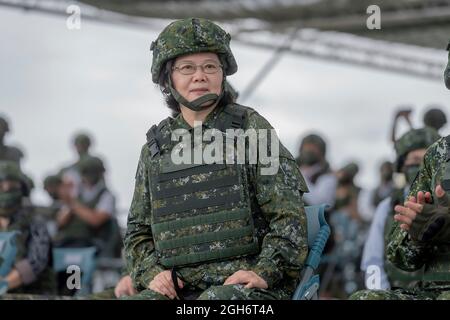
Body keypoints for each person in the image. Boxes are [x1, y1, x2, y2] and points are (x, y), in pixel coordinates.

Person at [124, 17, 308, 300]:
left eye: (210, 66)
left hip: (245, 288)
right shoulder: (155, 148)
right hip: (177, 289)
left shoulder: (253, 129)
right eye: (187, 68)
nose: (200, 76)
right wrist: (152, 273)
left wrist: (264, 271)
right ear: (167, 79)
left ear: (222, 74)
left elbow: (289, 218)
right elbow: (137, 233)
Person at [351, 133, 450, 300]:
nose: (418, 165)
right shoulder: (438, 152)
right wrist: (417, 237)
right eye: (414, 159)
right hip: (430, 290)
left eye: (422, 157)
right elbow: (383, 259)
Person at [0, 161, 55, 296]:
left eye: (11, 186)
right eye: (1, 186)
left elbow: (34, 263)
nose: (5, 189)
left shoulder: (35, 223)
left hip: (32, 294)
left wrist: (4, 284)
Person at [53, 155, 121, 258]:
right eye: (86, 172)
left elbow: (96, 220)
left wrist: (73, 205)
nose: (89, 176)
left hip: (91, 243)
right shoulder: (77, 193)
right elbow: (60, 221)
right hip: (69, 242)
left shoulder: (106, 195)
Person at [297, 133, 337, 208]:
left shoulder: (328, 175)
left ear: (322, 151)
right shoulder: (293, 168)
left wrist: (298, 176)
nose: (309, 150)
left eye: (314, 147)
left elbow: (320, 202)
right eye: (307, 146)